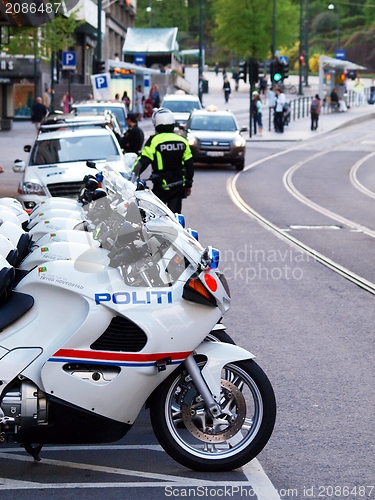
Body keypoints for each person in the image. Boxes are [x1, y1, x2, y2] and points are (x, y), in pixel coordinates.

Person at [131, 108, 194, 214]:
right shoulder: (182, 141)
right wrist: (188, 184)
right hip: (178, 185)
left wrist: (132, 175)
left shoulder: (154, 141)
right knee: (175, 218)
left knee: (156, 217)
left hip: (161, 186)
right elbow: (190, 165)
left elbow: (144, 161)